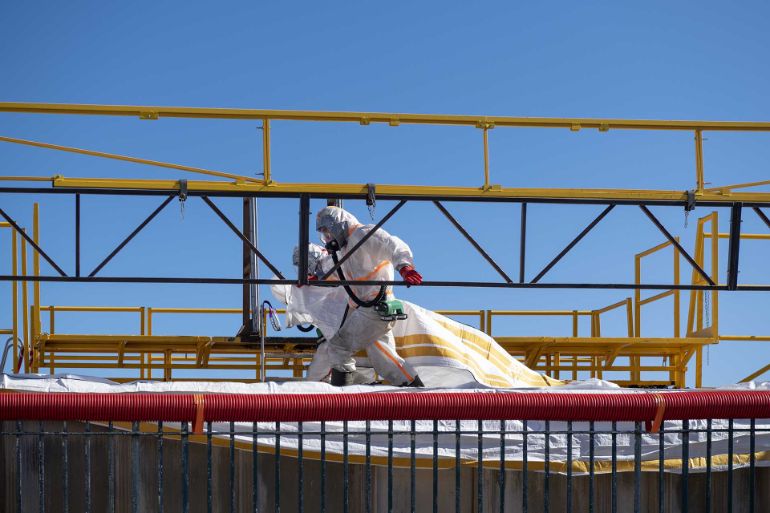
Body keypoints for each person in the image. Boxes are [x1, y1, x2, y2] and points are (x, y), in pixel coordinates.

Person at [314, 206, 424, 387]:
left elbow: (392, 244)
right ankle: (416, 391)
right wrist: (316, 277)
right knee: (384, 358)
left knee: (338, 347)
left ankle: (342, 396)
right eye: (324, 234)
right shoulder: (344, 249)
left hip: (375, 306)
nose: (327, 238)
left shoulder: (363, 235)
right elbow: (338, 271)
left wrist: (405, 266)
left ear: (339, 225)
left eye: (328, 232)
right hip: (366, 309)